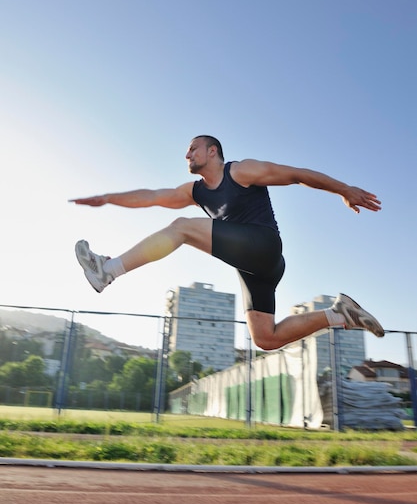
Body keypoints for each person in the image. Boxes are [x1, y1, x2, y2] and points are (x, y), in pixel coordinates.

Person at [70, 134, 384, 350]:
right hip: (254, 269)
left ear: (212, 151)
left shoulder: (242, 171)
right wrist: (108, 198)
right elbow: (152, 197)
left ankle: (107, 270)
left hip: (264, 245)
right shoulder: (195, 191)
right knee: (266, 339)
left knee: (181, 228)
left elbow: (295, 175)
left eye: (193, 148)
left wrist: (344, 189)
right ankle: (341, 314)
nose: (187, 154)